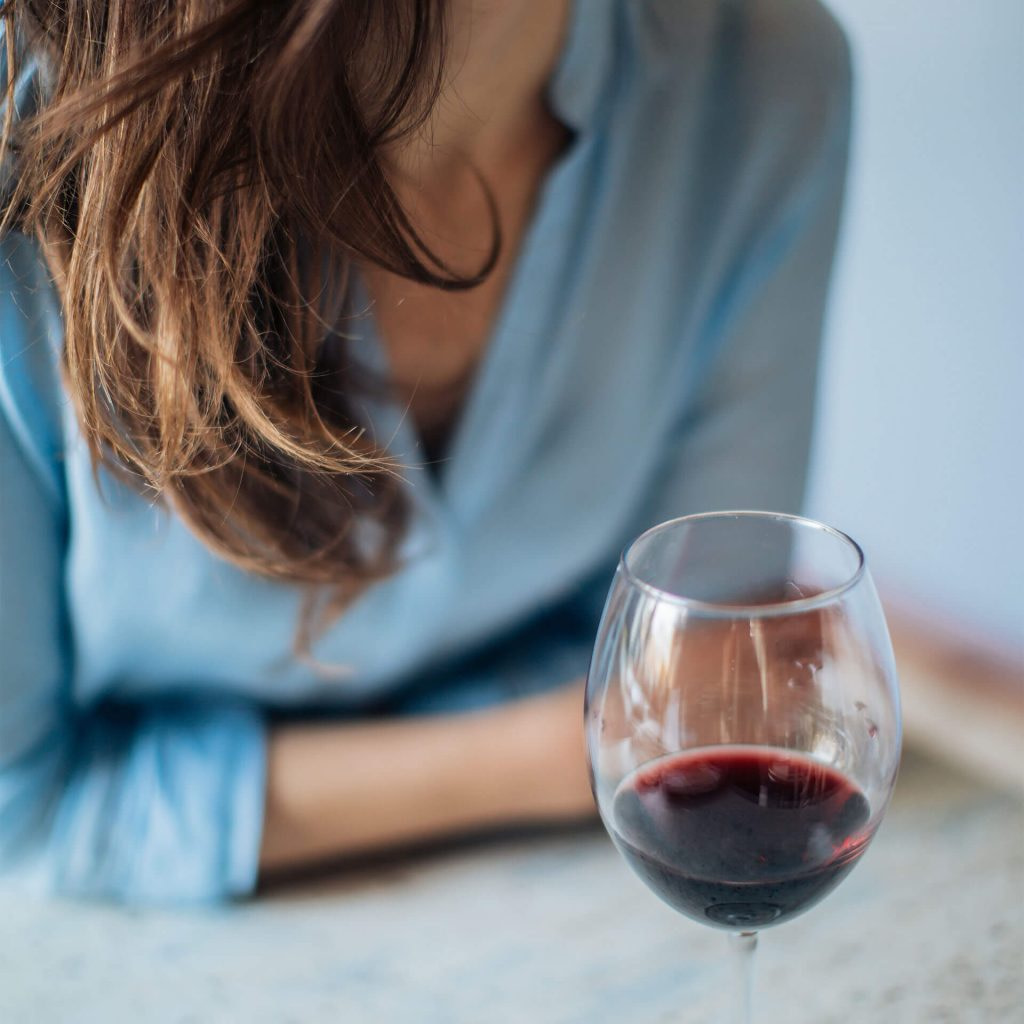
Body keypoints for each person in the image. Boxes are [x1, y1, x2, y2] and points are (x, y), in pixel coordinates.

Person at [0, 0, 851, 904]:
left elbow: (711, 680)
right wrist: (561, 753)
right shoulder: (25, 150)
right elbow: (25, 811)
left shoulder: (763, 79)